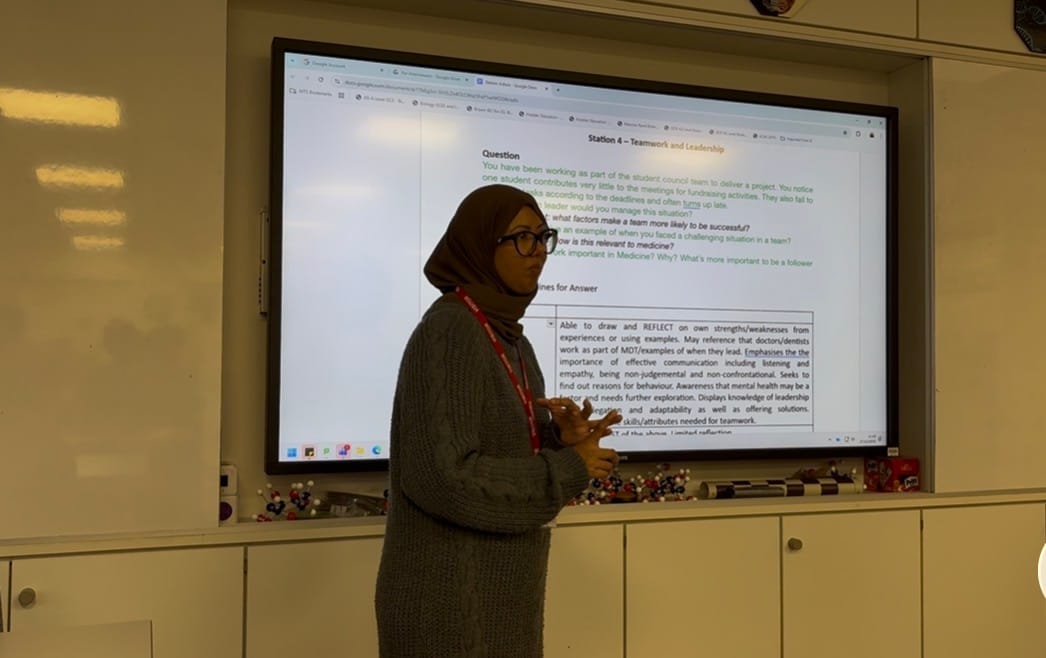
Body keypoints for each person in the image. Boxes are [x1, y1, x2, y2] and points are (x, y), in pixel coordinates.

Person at [374, 184, 622, 657]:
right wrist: (567, 467)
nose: (539, 251)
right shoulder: (450, 330)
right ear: (481, 245)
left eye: (543, 236)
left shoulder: (511, 338)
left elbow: (495, 444)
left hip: (499, 602)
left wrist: (557, 438)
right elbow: (443, 478)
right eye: (523, 237)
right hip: (448, 607)